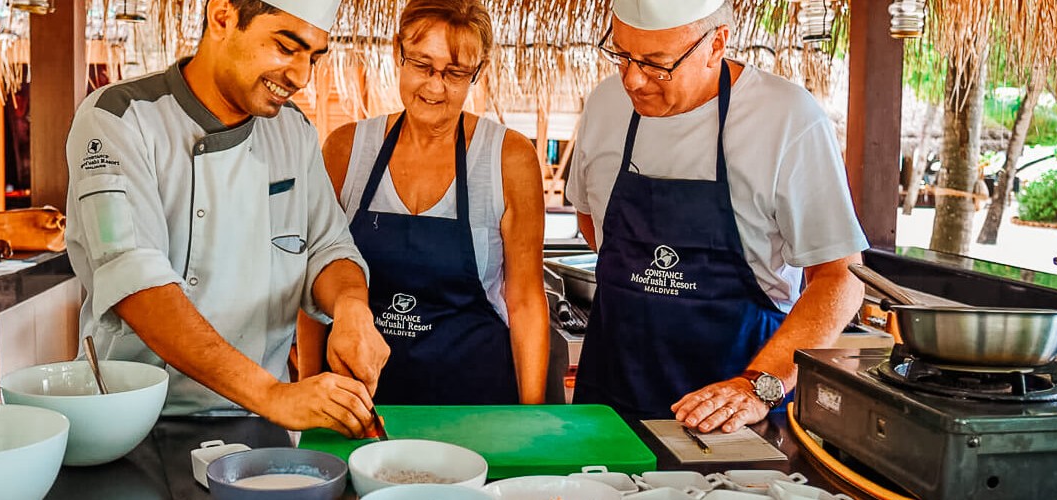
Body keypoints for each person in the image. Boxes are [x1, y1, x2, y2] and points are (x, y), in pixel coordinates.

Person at [64, 0, 390, 437]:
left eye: (312, 58)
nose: (301, 77)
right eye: (286, 47)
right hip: (134, 422)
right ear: (222, 17)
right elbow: (138, 285)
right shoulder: (119, 118)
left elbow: (328, 248)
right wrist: (274, 394)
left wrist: (351, 309)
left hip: (256, 424)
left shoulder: (293, 131)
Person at [566, 0, 868, 433]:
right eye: (622, 54)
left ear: (716, 44)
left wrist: (758, 387)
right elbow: (590, 220)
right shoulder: (605, 105)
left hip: (734, 415)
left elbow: (840, 277)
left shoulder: (786, 119)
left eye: (657, 63)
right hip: (609, 401)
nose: (632, 80)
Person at [299, 0, 549, 405]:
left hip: (477, 402)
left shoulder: (509, 158)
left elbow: (525, 301)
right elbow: (314, 283)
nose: (435, 86)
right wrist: (309, 393)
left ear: (478, 71)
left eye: (455, 73)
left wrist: (531, 414)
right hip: (361, 402)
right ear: (397, 51)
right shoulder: (347, 151)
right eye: (422, 65)